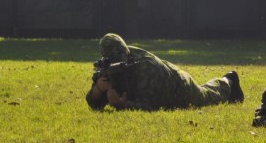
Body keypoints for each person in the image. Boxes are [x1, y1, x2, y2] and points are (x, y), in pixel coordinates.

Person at [86, 33, 244, 111]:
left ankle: (228, 81)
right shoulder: (108, 68)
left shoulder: (146, 67)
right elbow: (93, 104)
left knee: (206, 96)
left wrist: (122, 105)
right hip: (160, 86)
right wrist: (98, 89)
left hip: (178, 86)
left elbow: (153, 105)